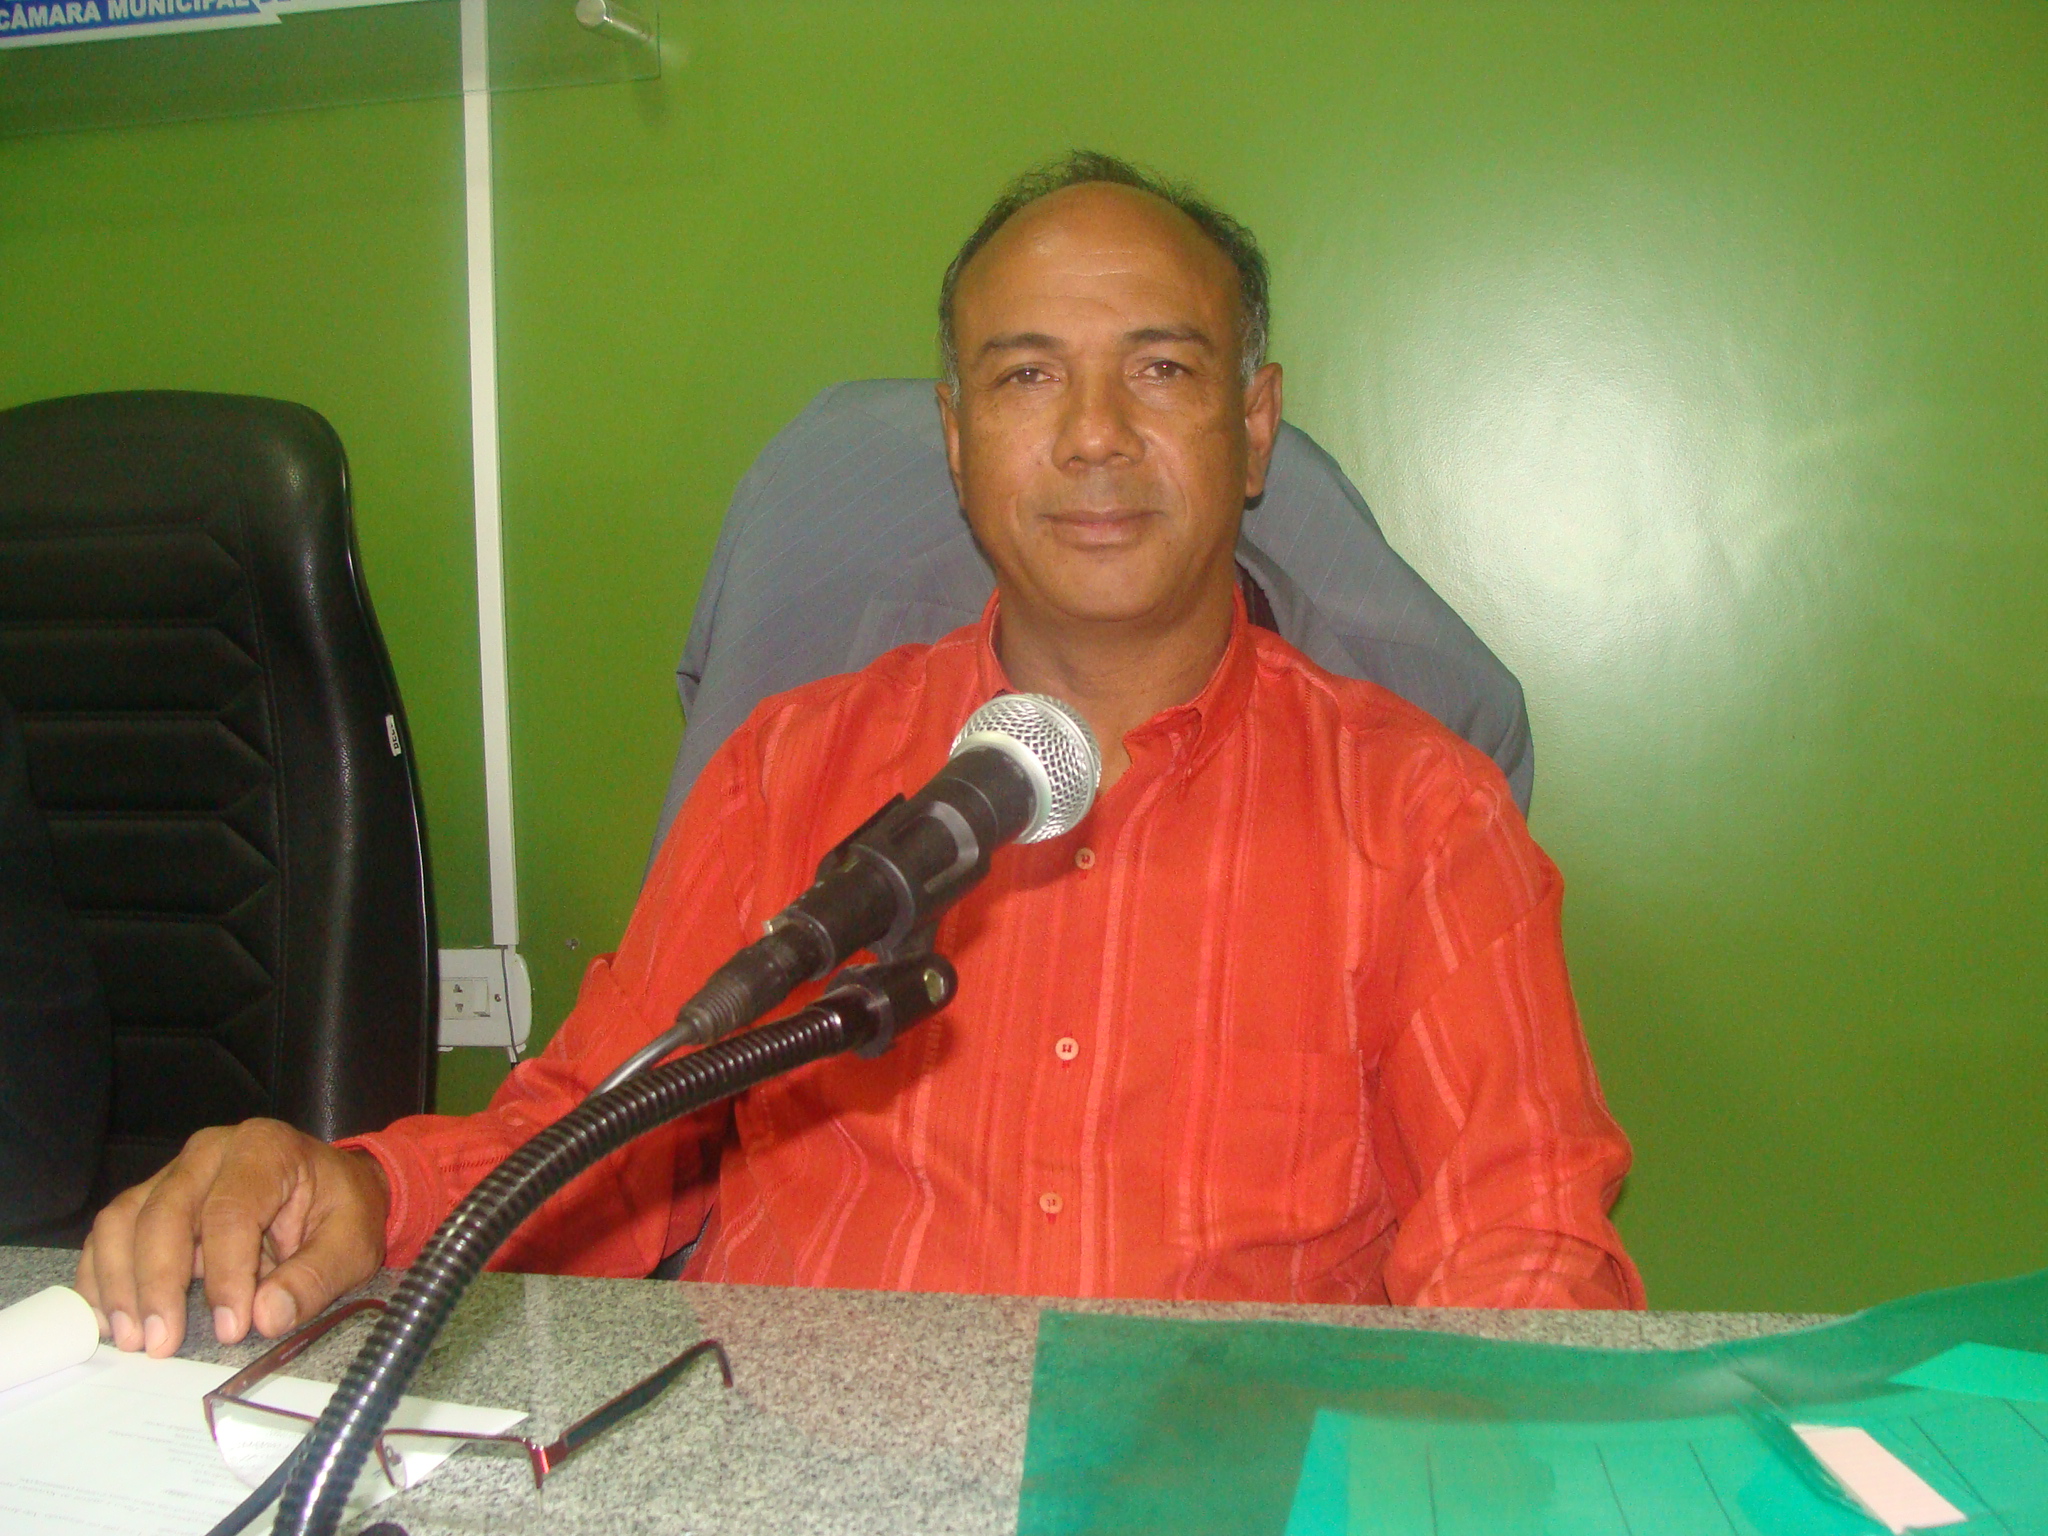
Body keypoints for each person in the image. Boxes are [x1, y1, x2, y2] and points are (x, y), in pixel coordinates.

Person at [78, 152, 1642, 1360]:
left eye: (1162, 369)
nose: (1095, 432)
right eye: (1027, 375)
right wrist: (363, 1191)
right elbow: (605, 1127)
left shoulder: (1419, 810)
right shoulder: (794, 767)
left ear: (1255, 428)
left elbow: (1522, 1249)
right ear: (957, 440)